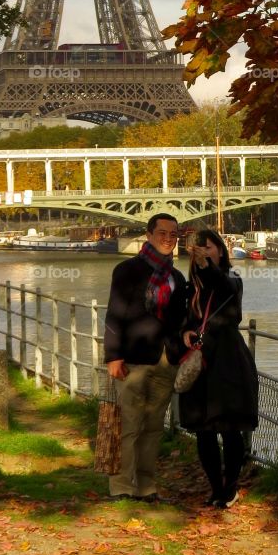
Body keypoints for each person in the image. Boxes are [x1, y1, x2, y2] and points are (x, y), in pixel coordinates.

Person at [103, 213, 187, 501]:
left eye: (173, 234)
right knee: (129, 425)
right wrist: (113, 356)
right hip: (133, 358)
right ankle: (122, 486)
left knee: (153, 427)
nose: (168, 239)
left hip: (166, 360)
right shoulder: (127, 270)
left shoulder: (177, 277)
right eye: (162, 233)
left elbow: (180, 320)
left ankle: (146, 486)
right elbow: (114, 314)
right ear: (149, 235)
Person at [180, 228, 259, 509]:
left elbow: (228, 299)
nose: (204, 253)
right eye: (199, 249)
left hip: (226, 360)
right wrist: (185, 332)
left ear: (221, 252)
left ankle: (230, 487)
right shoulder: (193, 285)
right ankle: (216, 488)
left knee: (229, 426)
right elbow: (186, 318)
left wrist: (207, 267)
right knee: (204, 429)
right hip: (200, 358)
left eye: (210, 248)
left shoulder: (230, 279)